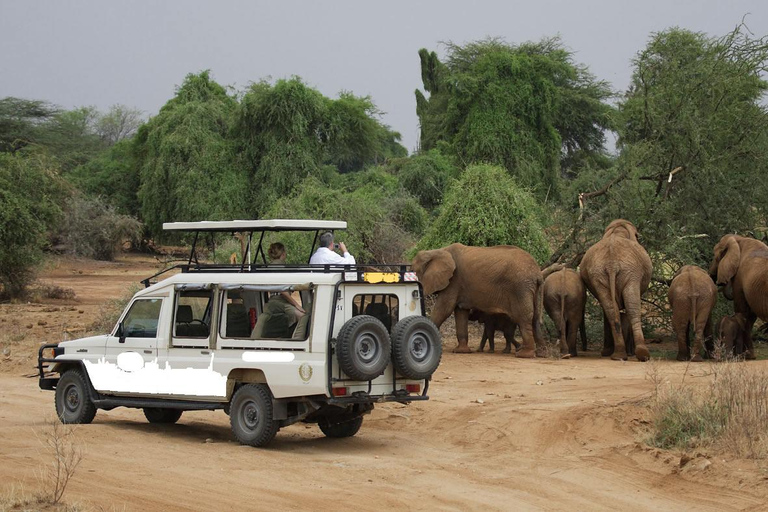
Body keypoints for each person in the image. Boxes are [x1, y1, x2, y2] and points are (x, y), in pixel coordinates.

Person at [264, 242, 305, 329]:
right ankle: (297, 339)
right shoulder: (280, 268)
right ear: (283, 254)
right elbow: (283, 291)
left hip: (273, 299)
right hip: (280, 300)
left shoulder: (269, 267)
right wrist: (296, 305)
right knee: (302, 316)